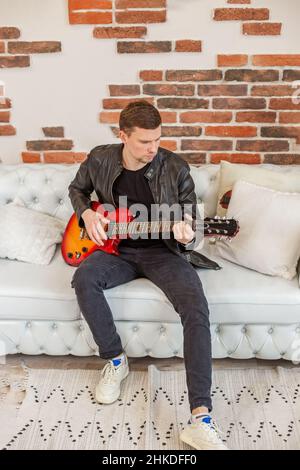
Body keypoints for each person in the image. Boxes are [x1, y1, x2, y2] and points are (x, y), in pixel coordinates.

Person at [69, 100, 227, 450]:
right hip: (117, 251)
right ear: (122, 135)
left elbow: (190, 223)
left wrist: (191, 234)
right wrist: (89, 216)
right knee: (84, 279)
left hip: (163, 253)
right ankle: (115, 359)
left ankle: (201, 417)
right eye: (144, 142)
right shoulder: (100, 158)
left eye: (157, 139)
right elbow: (77, 190)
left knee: (196, 308)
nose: (153, 148)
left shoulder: (176, 168)